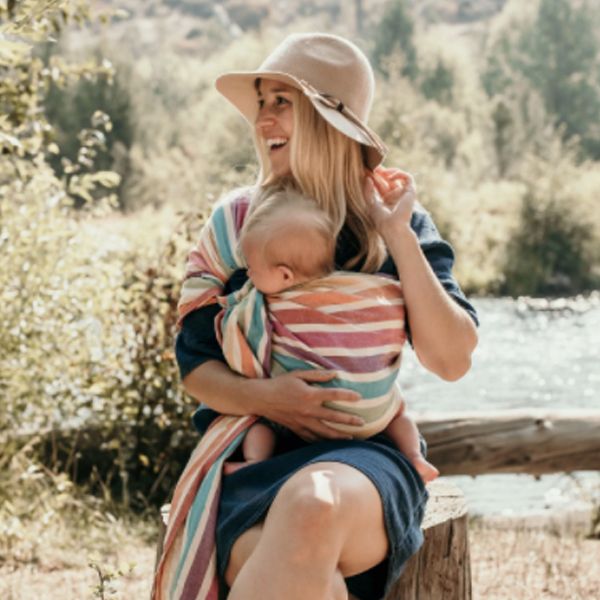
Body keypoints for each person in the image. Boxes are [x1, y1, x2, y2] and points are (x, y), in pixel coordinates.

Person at [168, 32, 478, 600]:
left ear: (332, 123)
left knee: (313, 506)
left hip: (364, 461)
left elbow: (451, 359)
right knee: (310, 579)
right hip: (248, 461)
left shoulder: (393, 218)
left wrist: (398, 238)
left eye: (282, 101)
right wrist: (270, 400)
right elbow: (194, 368)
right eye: (261, 102)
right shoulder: (234, 223)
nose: (263, 119)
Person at [223, 186, 439, 483]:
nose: (247, 275)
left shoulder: (267, 306)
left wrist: (230, 312)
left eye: (252, 268)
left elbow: (240, 351)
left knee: (259, 420)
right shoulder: (373, 290)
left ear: (285, 275)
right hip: (373, 414)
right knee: (399, 411)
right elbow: (395, 325)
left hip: (310, 415)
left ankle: (253, 462)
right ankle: (414, 456)